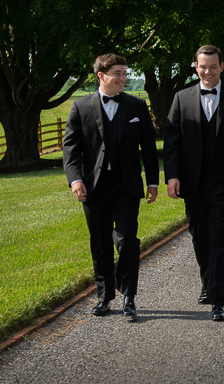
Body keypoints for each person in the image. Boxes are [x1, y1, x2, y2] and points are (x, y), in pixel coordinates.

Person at [164, 45, 224, 322]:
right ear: (196, 67)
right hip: (192, 182)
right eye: (203, 67)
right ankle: (208, 282)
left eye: (213, 67)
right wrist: (172, 176)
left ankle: (218, 299)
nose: (208, 72)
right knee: (199, 235)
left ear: (222, 67)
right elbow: (172, 143)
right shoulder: (181, 98)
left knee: (219, 236)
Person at [63, 53, 159, 322]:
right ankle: (104, 297)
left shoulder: (137, 107)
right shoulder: (80, 108)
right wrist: (75, 180)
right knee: (101, 242)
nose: (122, 78)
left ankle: (129, 296)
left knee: (127, 238)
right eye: (117, 73)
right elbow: (70, 151)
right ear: (101, 76)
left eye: (124, 73)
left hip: (127, 185)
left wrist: (152, 181)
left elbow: (149, 149)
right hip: (94, 187)